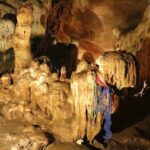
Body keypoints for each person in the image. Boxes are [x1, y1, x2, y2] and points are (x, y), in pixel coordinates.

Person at [96, 71, 112, 142]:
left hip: (105, 101)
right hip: (101, 103)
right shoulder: (99, 78)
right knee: (101, 118)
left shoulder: (106, 88)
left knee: (106, 118)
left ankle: (106, 136)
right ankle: (101, 134)